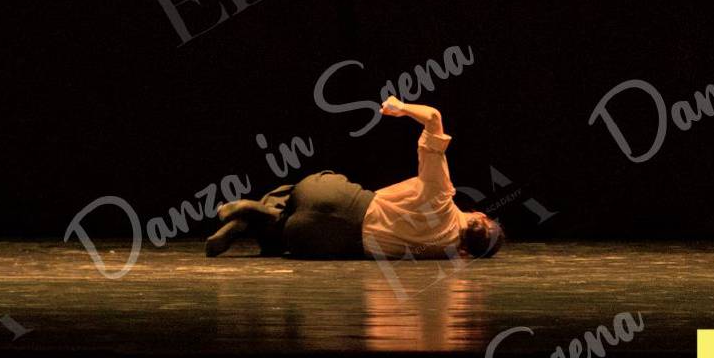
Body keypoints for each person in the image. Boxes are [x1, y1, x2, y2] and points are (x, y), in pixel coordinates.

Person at [205, 96, 504, 261]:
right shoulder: (442, 253)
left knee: (296, 191)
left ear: (478, 214)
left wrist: (400, 108)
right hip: (325, 242)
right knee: (279, 236)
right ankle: (254, 218)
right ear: (466, 253)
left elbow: (434, 118)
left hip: (342, 200)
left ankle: (252, 210)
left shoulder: (441, 195)